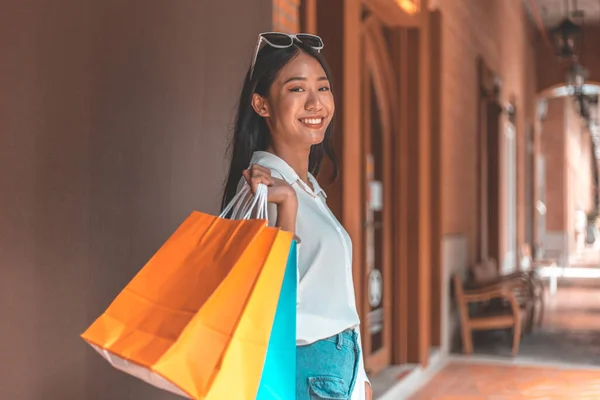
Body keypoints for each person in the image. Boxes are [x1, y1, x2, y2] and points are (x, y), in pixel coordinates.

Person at [221, 33, 372, 400]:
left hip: (336, 371)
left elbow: (334, 295)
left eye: (322, 88)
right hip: (306, 373)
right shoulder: (262, 192)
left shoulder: (306, 187)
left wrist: (360, 376)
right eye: (296, 90)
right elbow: (267, 306)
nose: (315, 103)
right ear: (262, 104)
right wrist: (285, 206)